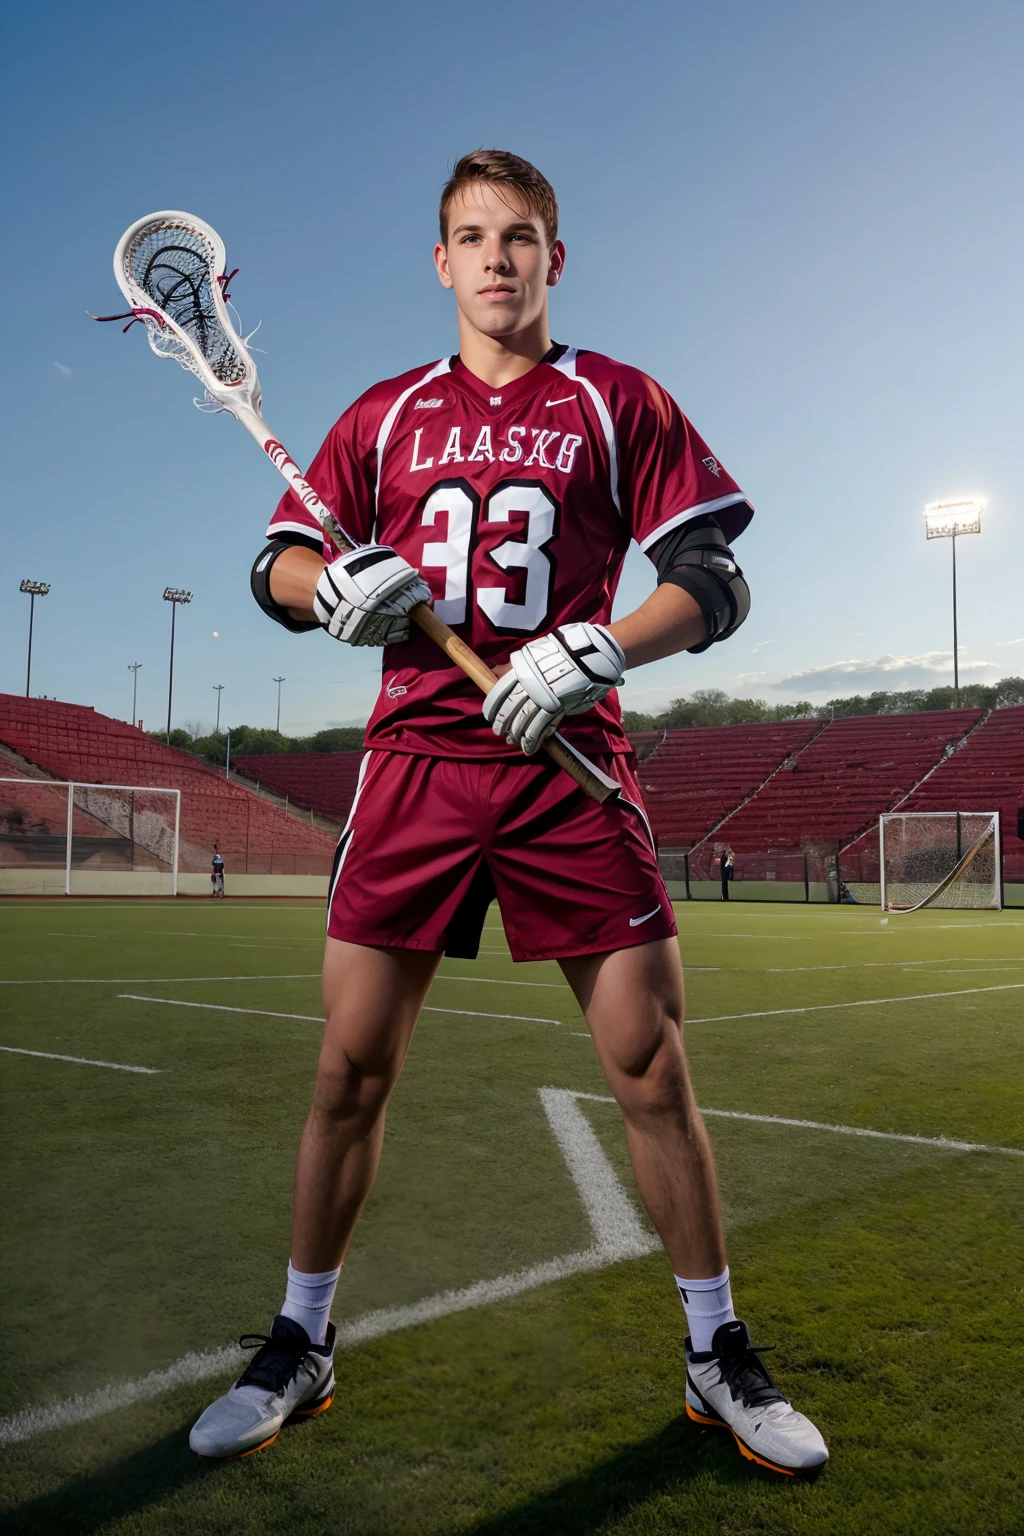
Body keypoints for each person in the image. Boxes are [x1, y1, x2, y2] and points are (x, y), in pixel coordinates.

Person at [190, 150, 827, 1479]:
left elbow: (713, 580)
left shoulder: (619, 399)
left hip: (563, 758)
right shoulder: (383, 415)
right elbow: (276, 562)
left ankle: (718, 1353)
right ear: (441, 260)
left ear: (554, 257)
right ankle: (298, 1338)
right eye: (472, 236)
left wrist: (603, 645)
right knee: (349, 1070)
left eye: (521, 236)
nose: (496, 257)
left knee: (652, 1070)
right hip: (417, 759)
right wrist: (329, 594)